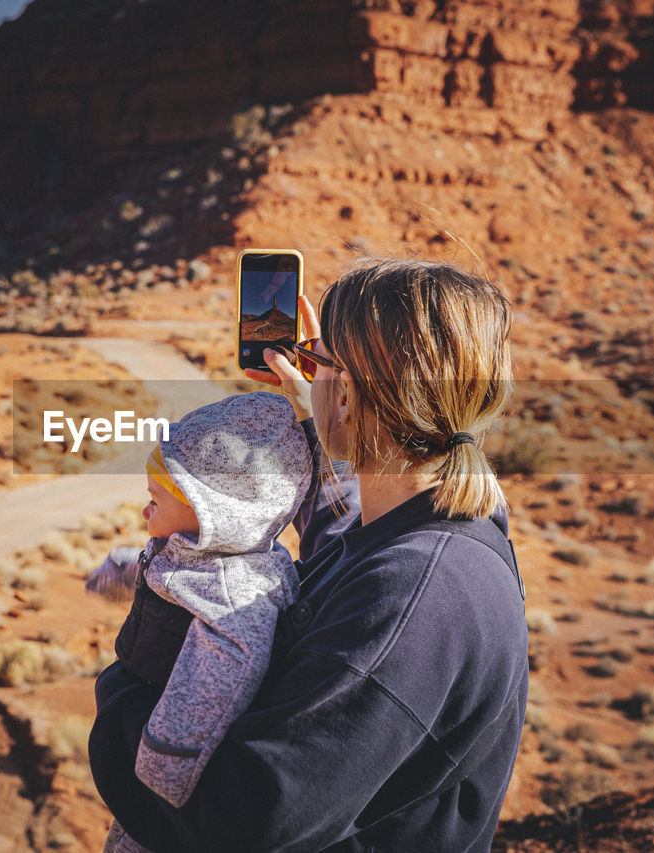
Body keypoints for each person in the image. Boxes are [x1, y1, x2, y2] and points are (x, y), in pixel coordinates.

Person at [88, 258, 529, 852]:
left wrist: (125, 691)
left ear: (345, 394)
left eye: (320, 363)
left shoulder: (411, 592)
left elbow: (244, 817)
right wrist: (313, 406)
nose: (311, 374)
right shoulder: (428, 532)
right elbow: (340, 531)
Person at [86, 391, 312, 852]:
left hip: (167, 778)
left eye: (155, 502)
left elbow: (228, 667)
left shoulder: (234, 598)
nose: (145, 512)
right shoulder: (202, 551)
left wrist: (159, 764)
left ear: (210, 512)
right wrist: (122, 567)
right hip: (144, 713)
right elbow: (170, 569)